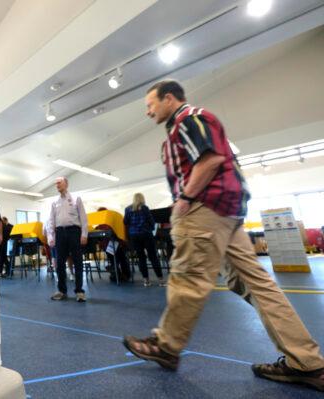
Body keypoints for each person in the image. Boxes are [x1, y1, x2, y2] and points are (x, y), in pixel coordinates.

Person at [123, 80, 324, 391]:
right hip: (228, 213)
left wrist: (185, 199)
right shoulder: (188, 123)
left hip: (205, 208)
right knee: (254, 284)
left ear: (169, 98)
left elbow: (211, 159)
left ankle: (166, 346)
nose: (148, 111)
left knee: (188, 279)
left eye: (151, 104)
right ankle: (307, 362)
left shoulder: (188, 118)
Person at [46, 176, 88, 302]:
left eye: (59, 182)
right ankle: (62, 291)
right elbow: (51, 221)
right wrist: (50, 236)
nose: (57, 184)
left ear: (66, 184)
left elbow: (83, 218)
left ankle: (79, 291)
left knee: (77, 262)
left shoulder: (76, 199)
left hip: (74, 232)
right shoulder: (54, 202)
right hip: (60, 233)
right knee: (59, 264)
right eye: (56, 183)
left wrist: (84, 234)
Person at [124, 194, 165, 287]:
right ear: (142, 199)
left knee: (141, 258)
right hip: (146, 234)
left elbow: (125, 222)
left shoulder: (127, 209)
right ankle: (161, 280)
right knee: (153, 257)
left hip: (134, 235)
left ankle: (146, 281)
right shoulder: (145, 208)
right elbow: (151, 221)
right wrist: (150, 228)